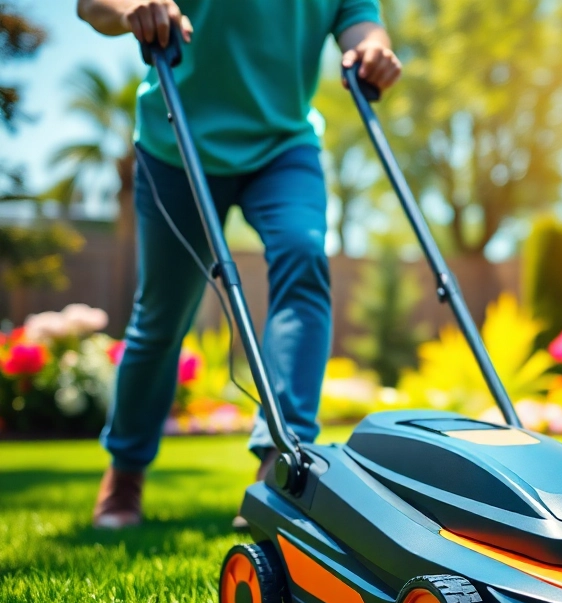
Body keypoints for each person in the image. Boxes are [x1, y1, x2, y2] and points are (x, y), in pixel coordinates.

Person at [78, 0, 401, 529]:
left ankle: (281, 463)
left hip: (283, 146)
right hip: (175, 141)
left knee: (303, 255)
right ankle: (126, 472)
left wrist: (372, 52)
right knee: (161, 315)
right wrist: (134, 8)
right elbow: (92, 5)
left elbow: (362, 25)